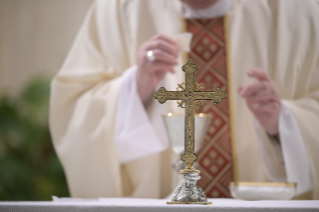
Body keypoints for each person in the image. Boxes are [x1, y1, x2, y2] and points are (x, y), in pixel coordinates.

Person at [49, 0, 319, 199]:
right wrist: (135, 89)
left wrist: (283, 123)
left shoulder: (298, 15)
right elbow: (73, 108)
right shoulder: (117, 11)